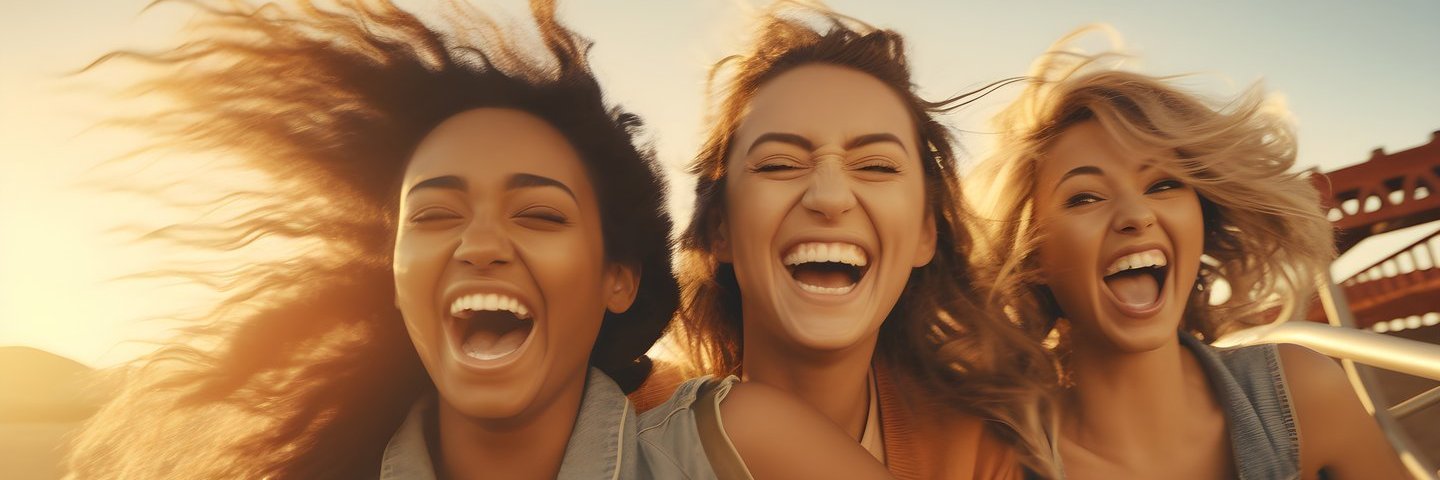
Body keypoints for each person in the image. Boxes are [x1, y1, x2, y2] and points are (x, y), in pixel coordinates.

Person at [65, 1, 682, 478]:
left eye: (541, 215)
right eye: (435, 214)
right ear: (392, 275)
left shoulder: (724, 451)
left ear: (618, 280)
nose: (480, 243)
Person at [968, 26, 1409, 479]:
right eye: (1085, 197)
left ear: (1202, 218)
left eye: (1163, 184)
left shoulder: (1301, 395)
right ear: (1033, 256)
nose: (1137, 215)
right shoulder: (989, 461)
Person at [641, 3, 1058, 478]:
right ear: (721, 230)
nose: (830, 196)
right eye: (779, 164)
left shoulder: (978, 453)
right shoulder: (624, 429)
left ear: (925, 234)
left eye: (877, 166)